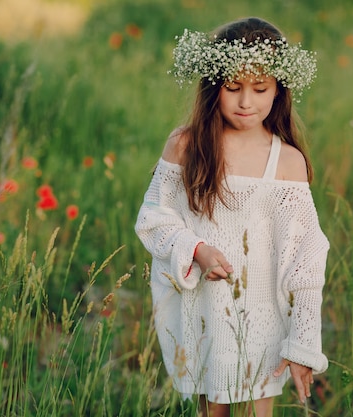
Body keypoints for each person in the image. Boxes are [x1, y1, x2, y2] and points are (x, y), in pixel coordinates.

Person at [135, 17, 329, 417]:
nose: (246, 102)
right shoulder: (187, 145)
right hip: (205, 312)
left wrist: (303, 342)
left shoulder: (286, 162)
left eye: (260, 89)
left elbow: (307, 259)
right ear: (212, 86)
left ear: (278, 90)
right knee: (214, 409)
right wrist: (197, 249)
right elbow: (154, 218)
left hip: (264, 317)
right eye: (232, 87)